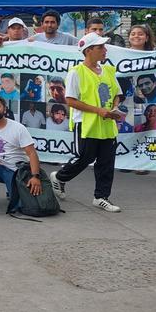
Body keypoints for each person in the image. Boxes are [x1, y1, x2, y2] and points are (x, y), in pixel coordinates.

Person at [47, 33, 123, 213]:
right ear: (88, 51)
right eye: (100, 47)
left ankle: (101, 197)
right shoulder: (76, 72)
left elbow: (117, 94)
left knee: (106, 161)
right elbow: (70, 101)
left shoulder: (108, 70)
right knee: (85, 157)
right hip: (86, 124)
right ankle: (60, 177)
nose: (105, 50)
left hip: (107, 123)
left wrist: (114, 108)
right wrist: (98, 110)